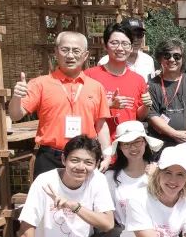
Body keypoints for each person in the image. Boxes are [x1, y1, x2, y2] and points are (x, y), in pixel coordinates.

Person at [10, 31, 111, 177]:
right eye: (65, 50)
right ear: (56, 52)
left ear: (85, 55)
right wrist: (16, 97)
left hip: (85, 157)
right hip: (50, 157)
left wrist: (107, 154)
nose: (70, 55)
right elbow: (15, 115)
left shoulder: (96, 87)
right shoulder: (40, 84)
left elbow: (101, 125)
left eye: (76, 50)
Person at [85, 23, 149, 142]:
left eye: (125, 44)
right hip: (96, 144)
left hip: (127, 145)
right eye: (114, 43)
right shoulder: (89, 76)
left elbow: (139, 116)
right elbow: (81, 110)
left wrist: (146, 105)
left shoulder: (138, 80)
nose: (120, 48)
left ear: (131, 48)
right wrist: (108, 105)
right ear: (105, 46)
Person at [146, 38, 186, 148]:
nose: (172, 59)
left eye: (177, 56)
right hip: (161, 144)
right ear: (160, 58)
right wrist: (174, 134)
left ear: (183, 59)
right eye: (167, 55)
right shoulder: (152, 84)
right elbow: (152, 115)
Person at [98, 16, 156, 81]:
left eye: (139, 35)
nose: (135, 39)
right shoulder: (104, 62)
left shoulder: (148, 61)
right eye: (131, 35)